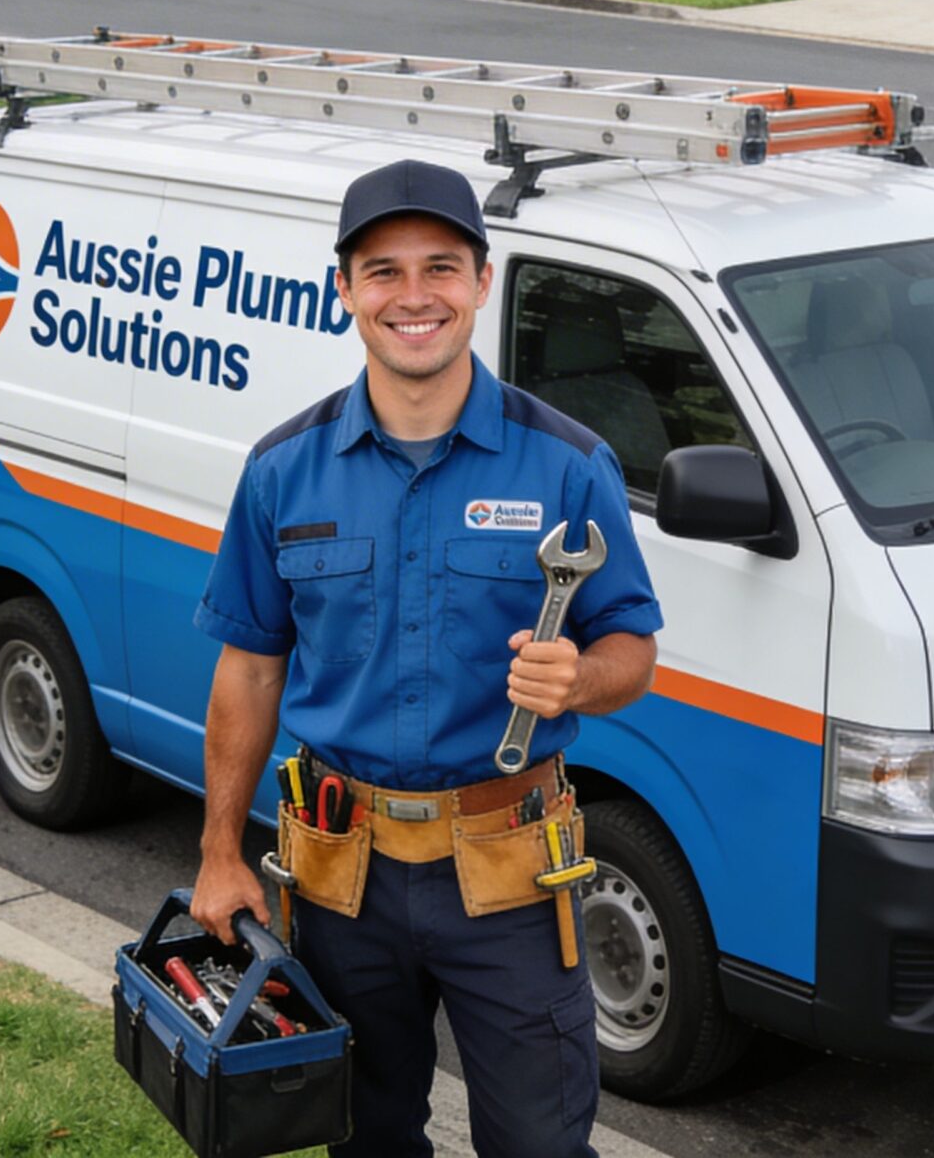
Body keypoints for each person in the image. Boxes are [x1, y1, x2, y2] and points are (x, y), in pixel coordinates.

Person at [189, 160, 663, 1157]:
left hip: (510, 874)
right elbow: (248, 672)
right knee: (365, 1138)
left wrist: (579, 677)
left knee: (538, 1145)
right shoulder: (284, 470)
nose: (414, 296)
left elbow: (633, 645)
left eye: (440, 267)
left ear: (482, 283)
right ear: (345, 290)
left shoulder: (568, 465)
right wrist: (221, 854)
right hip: (338, 875)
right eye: (383, 270)